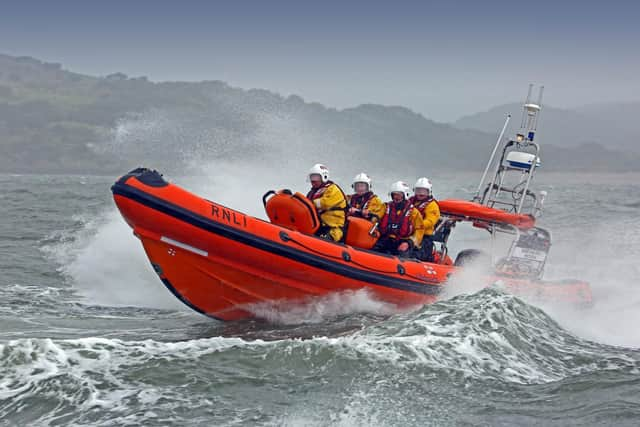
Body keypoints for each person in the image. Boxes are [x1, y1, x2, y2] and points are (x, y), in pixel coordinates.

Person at [374, 181, 424, 257]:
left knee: (404, 254)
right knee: (374, 247)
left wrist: (409, 243)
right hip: (386, 239)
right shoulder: (385, 207)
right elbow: (376, 217)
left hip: (403, 241)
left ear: (405, 195)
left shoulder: (413, 212)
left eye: (399, 195)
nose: (396, 198)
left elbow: (419, 230)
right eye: (394, 195)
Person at [306, 163, 347, 242]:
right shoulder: (312, 192)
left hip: (333, 229)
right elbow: (305, 205)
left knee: (319, 243)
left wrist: (310, 203)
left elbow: (325, 203)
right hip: (317, 225)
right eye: (312, 177)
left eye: (316, 177)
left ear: (324, 177)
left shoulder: (333, 189)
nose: (313, 180)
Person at [409, 177, 440, 262]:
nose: (421, 194)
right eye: (418, 191)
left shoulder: (432, 205)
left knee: (415, 254)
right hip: (408, 233)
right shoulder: (410, 201)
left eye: (424, 191)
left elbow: (430, 221)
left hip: (424, 237)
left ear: (429, 192)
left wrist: (416, 225)